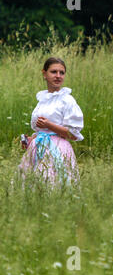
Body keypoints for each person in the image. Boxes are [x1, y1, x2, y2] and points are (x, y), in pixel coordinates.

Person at [19, 57, 84, 185]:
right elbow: (42, 129)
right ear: (44, 74)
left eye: (62, 73)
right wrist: (32, 139)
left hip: (58, 149)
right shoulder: (43, 99)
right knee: (31, 184)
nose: (58, 76)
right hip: (37, 147)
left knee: (52, 184)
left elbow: (73, 134)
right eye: (54, 72)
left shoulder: (67, 100)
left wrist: (49, 124)